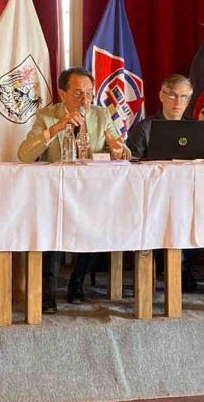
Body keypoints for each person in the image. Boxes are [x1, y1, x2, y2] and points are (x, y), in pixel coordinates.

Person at [18, 66, 131, 314]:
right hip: (56, 194)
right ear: (63, 94)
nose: (86, 99)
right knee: (51, 226)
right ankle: (48, 292)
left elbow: (124, 152)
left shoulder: (101, 115)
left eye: (90, 92)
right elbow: (24, 155)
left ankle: (76, 282)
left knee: (101, 222)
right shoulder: (47, 116)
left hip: (93, 194)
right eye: (78, 93)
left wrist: (117, 150)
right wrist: (56, 127)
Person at [126, 74, 199, 291]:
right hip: (150, 197)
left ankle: (184, 267)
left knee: (200, 214)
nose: (178, 102)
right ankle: (163, 267)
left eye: (184, 97)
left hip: (186, 196)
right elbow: (132, 163)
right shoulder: (144, 127)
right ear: (161, 96)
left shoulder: (196, 129)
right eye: (173, 96)